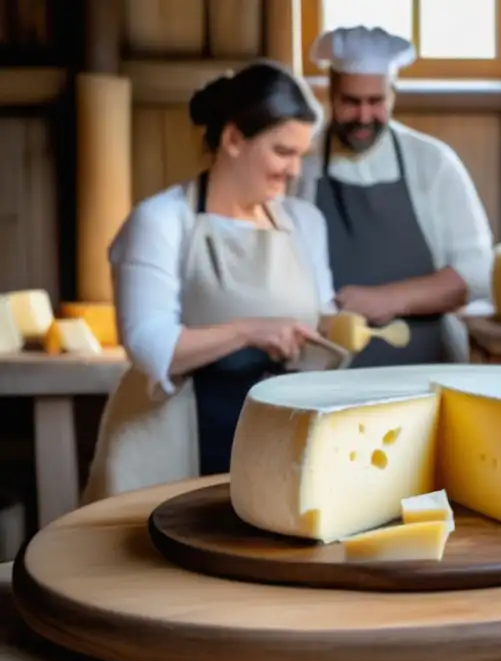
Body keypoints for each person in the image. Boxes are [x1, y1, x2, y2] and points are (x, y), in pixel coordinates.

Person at [83, 61, 343, 502]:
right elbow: (149, 346)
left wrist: (337, 328)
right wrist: (249, 330)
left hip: (273, 445)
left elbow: (321, 316)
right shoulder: (161, 220)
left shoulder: (305, 223)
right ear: (234, 139)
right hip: (170, 447)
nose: (295, 170)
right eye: (283, 151)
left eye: (302, 154)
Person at [293, 25, 494, 366]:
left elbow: (477, 273)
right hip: (329, 371)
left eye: (376, 101)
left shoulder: (433, 162)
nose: (364, 116)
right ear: (330, 95)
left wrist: (388, 299)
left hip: (428, 364)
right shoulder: (301, 164)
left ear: (393, 96)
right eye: (351, 102)